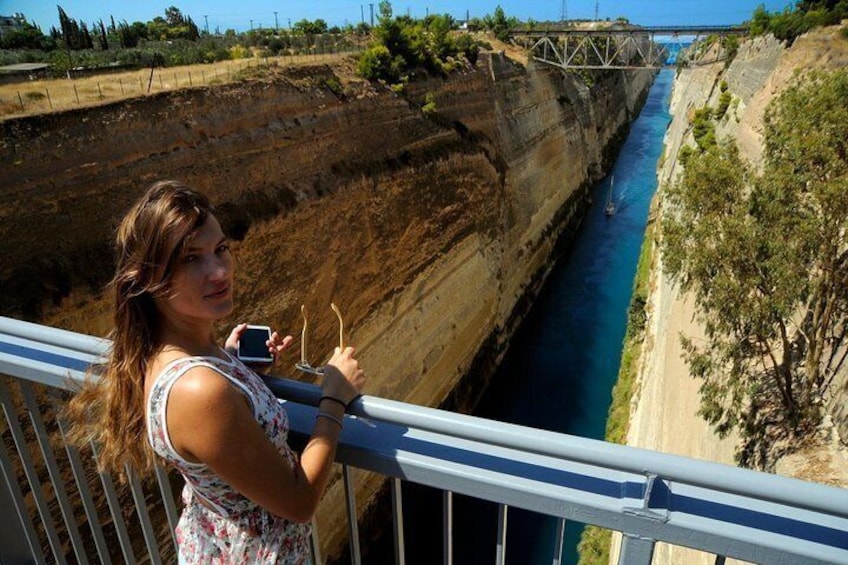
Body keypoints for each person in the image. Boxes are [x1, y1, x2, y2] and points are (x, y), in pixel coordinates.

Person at [67, 180, 366, 563]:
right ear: (147, 278)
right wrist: (334, 399)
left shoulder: (167, 355)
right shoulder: (200, 390)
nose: (219, 271)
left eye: (220, 249)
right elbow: (298, 500)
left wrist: (235, 368)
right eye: (191, 259)